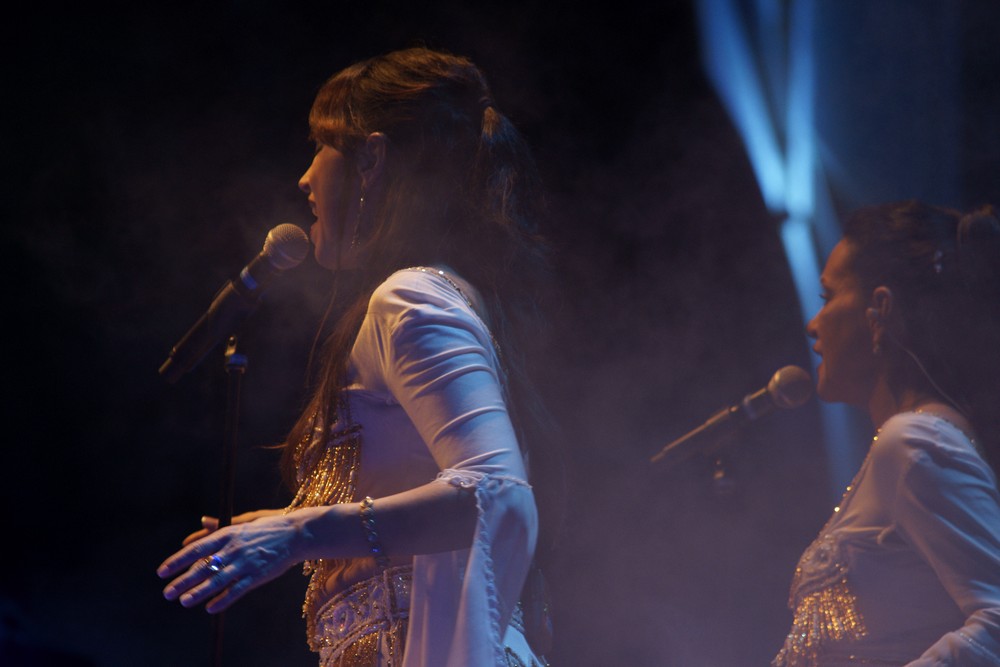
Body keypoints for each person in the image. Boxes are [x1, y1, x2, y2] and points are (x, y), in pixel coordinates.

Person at [158, 46, 560, 667]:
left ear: (371, 159)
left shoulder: (411, 297)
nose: (304, 179)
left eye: (320, 146)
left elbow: (496, 491)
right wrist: (282, 524)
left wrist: (298, 533)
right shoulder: (438, 296)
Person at [772, 200, 1000, 666]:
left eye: (827, 297)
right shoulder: (908, 443)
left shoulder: (913, 443)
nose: (813, 324)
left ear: (880, 308)